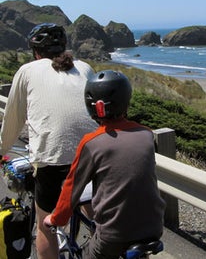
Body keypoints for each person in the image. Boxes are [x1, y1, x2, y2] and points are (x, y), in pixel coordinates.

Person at [0, 23, 98, 259]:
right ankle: (100, 233)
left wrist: (1, 148)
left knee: (46, 225)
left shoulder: (27, 71)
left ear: (35, 52)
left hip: (53, 160)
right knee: (90, 197)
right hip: (97, 154)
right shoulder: (85, 68)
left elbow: (13, 119)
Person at [44, 70, 166, 259]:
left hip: (113, 236)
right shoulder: (146, 134)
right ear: (126, 100)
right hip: (154, 228)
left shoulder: (92, 143)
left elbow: (72, 188)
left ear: (93, 107)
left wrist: (55, 219)